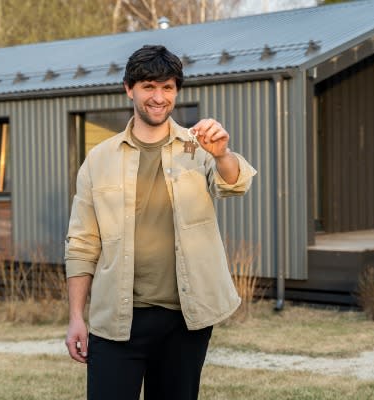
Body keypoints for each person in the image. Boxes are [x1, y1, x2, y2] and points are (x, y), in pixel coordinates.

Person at [64, 44, 256, 400]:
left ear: (176, 92)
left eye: (167, 87)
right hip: (116, 321)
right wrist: (77, 315)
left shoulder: (199, 146)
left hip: (184, 320)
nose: (159, 97)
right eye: (149, 86)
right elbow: (81, 243)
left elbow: (235, 183)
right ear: (129, 89)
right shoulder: (99, 159)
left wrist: (224, 153)